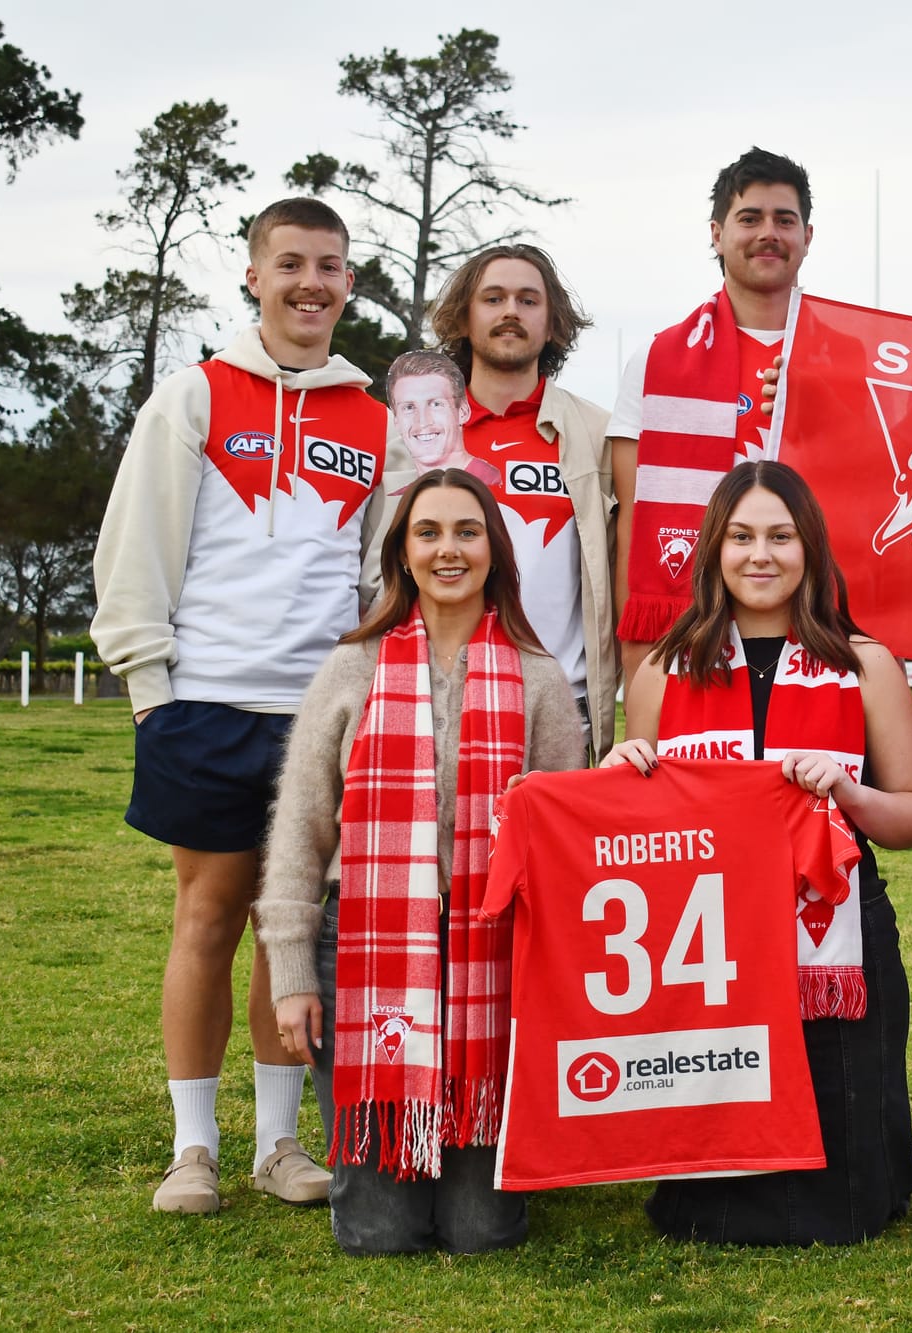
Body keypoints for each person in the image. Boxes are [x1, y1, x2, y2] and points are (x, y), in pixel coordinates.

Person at [91, 197, 406, 1215]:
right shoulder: (192, 397)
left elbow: (377, 579)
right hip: (206, 706)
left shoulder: (374, 421)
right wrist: (151, 695)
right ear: (253, 277)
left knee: (291, 927)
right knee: (207, 916)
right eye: (290, 265)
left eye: (329, 267)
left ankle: (280, 1145)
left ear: (349, 282)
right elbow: (132, 552)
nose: (310, 284)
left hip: (318, 718)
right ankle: (194, 1148)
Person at [604, 459, 912, 1246]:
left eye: (781, 536)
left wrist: (850, 797)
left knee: (843, 1152)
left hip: (836, 929)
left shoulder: (866, 663)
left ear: (810, 547)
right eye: (742, 535)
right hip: (706, 940)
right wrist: (619, 776)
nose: (762, 554)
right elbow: (636, 822)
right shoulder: (661, 667)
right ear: (714, 548)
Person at [254, 468, 585, 1254]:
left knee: (481, 1232)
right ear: (400, 554)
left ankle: (477, 1172)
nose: (448, 550)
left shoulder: (539, 680)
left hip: (491, 951)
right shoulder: (351, 669)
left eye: (466, 532)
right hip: (366, 946)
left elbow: (565, 843)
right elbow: (299, 834)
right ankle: (378, 1184)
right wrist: (295, 976)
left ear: (494, 551)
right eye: (427, 532)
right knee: (379, 1235)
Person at [611, 148, 815, 693]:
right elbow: (633, 521)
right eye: (749, 219)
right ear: (717, 234)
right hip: (694, 625)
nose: (768, 233)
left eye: (784, 220)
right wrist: (636, 656)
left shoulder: (850, 360)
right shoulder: (656, 361)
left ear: (807, 237)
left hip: (814, 624)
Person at [427, 243, 618, 760]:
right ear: (463, 318)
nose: (511, 311)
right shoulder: (411, 432)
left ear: (553, 323)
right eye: (493, 298)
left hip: (557, 711)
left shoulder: (600, 435)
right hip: (436, 708)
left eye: (528, 300)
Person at [386, 351, 496, 483]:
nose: (423, 421)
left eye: (436, 404)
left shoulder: (493, 484)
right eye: (409, 407)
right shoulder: (389, 494)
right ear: (396, 420)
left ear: (463, 411)